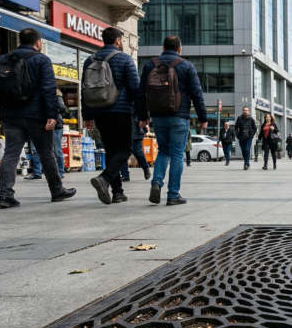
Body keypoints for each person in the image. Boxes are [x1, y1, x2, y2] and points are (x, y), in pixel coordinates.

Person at [0, 28, 76, 208]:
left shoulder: (3, 59)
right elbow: (48, 89)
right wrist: (51, 114)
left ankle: (5, 195)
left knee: (11, 153)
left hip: (10, 114)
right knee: (46, 153)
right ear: (38, 43)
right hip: (36, 115)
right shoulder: (41, 59)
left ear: (19, 42)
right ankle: (56, 190)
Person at [82, 27, 147, 205]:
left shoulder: (89, 60)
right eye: (122, 40)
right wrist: (143, 114)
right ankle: (104, 179)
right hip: (121, 110)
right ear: (118, 41)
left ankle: (118, 192)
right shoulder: (124, 58)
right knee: (126, 149)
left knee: (111, 150)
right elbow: (135, 89)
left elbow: (84, 90)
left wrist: (87, 115)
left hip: (98, 111)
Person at [140, 35, 208, 206]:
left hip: (157, 116)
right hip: (179, 116)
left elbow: (140, 93)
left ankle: (156, 183)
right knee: (177, 155)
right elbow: (197, 94)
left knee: (163, 151)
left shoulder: (150, 64)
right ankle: (173, 195)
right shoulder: (186, 66)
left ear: (163, 48)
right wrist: (203, 118)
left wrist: (143, 116)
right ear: (180, 49)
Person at [120, 113, 152, 182]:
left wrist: (143, 118)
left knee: (137, 151)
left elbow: (143, 105)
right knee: (123, 152)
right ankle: (124, 174)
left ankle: (145, 167)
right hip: (124, 123)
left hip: (136, 124)